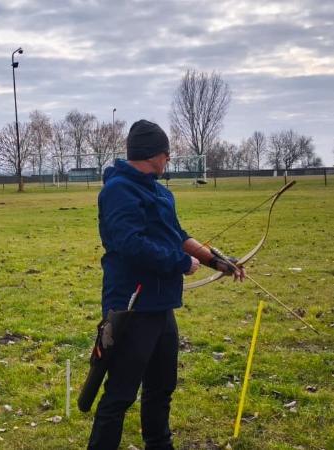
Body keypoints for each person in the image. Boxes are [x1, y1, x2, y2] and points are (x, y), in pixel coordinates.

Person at [88, 120, 244, 449]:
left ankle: (159, 444)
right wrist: (179, 263)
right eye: (166, 154)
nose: (168, 160)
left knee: (161, 387)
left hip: (161, 305)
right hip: (132, 306)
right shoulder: (118, 190)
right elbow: (130, 243)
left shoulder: (160, 191)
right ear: (153, 154)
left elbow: (179, 236)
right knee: (120, 394)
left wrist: (217, 260)